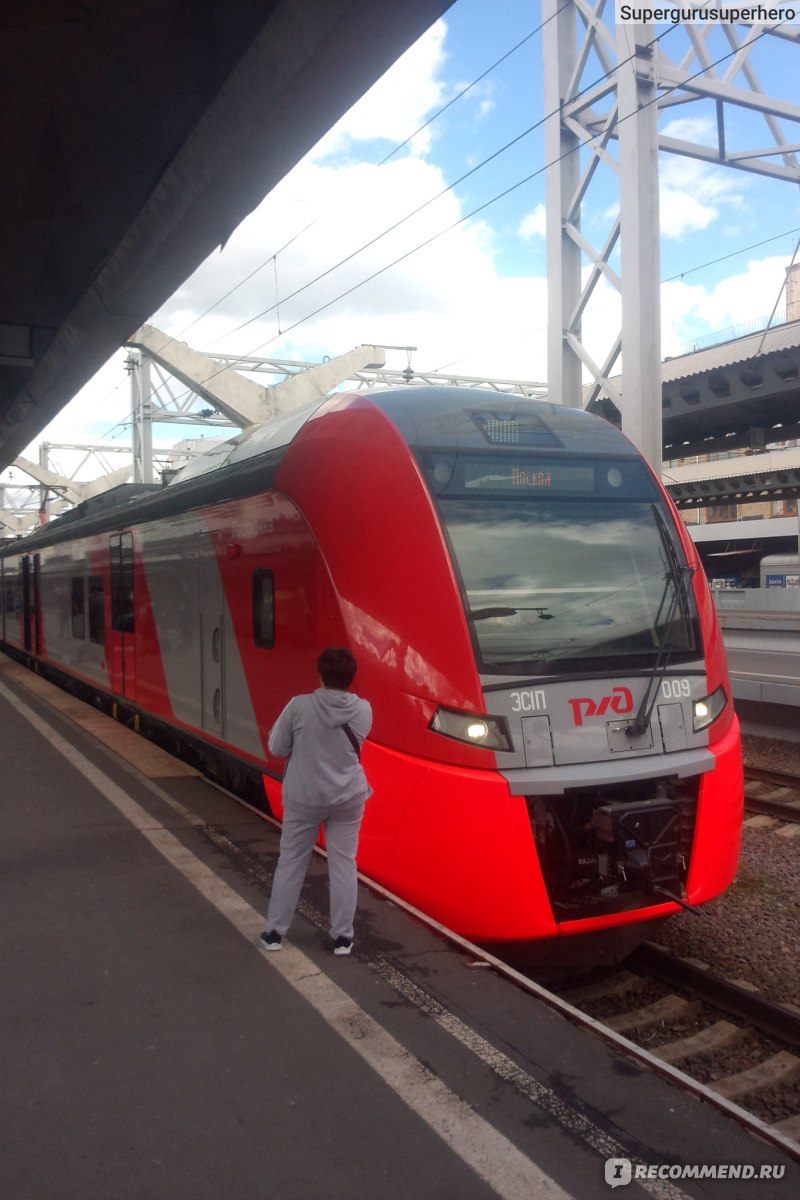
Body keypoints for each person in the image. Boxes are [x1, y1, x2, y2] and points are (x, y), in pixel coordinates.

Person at [260, 646, 372, 956]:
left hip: (304, 797)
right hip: (348, 797)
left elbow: (278, 747)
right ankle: (343, 938)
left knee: (292, 862)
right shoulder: (364, 710)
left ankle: (274, 933)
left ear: (319, 674)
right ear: (351, 678)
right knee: (344, 863)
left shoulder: (299, 706)